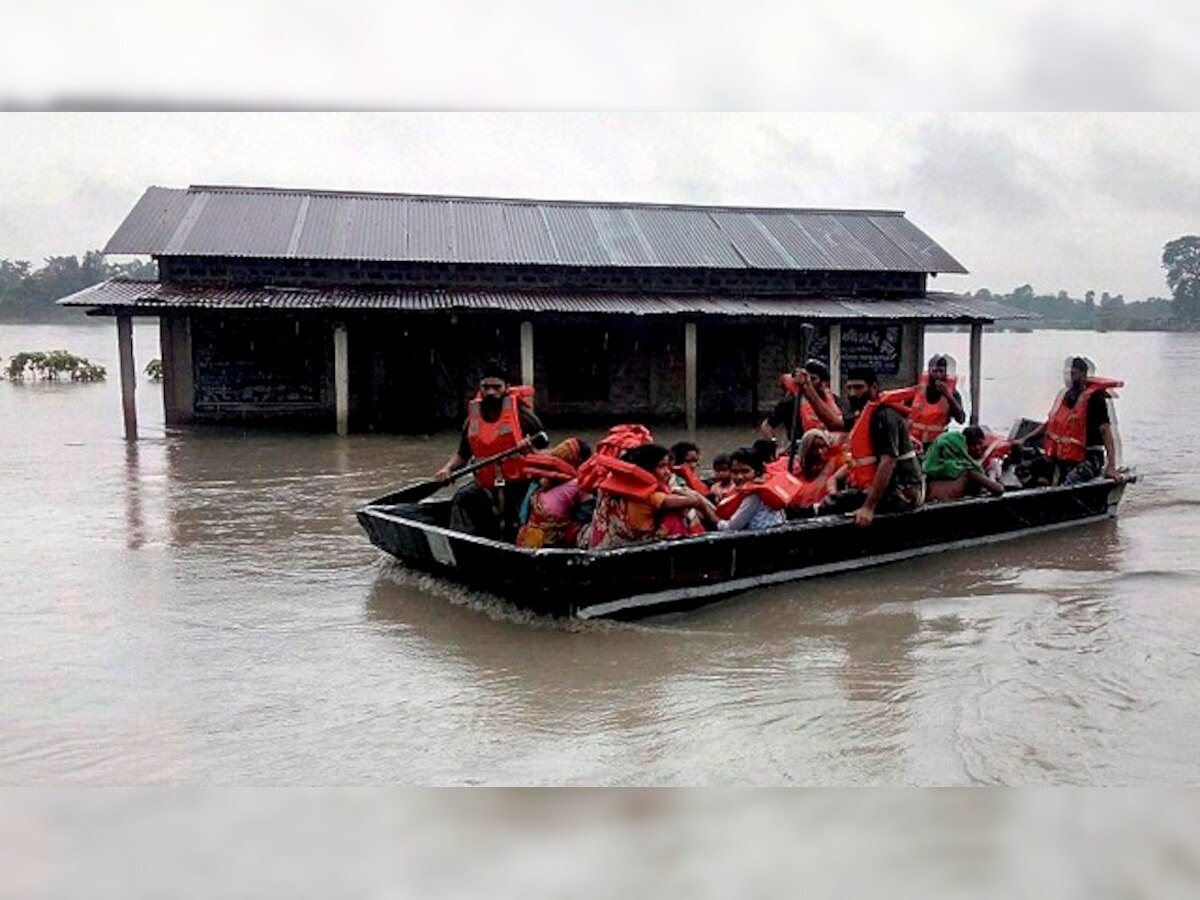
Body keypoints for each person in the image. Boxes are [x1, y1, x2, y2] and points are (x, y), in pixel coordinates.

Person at [433, 362, 544, 540]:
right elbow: (462, 455)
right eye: (486, 387)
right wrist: (447, 469)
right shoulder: (471, 421)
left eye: (496, 387)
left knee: (519, 519)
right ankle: (462, 547)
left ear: (506, 388)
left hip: (519, 485)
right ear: (480, 388)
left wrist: (529, 450)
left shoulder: (524, 417)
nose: (491, 392)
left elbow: (547, 455)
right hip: (485, 486)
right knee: (462, 498)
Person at [583, 443, 717, 550]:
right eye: (662, 466)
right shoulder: (651, 496)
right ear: (647, 469)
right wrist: (683, 492)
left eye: (668, 467)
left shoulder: (614, 484)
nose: (668, 473)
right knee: (678, 515)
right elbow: (693, 501)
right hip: (637, 547)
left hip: (605, 546)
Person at [1018, 356, 1124, 486]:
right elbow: (1050, 424)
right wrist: (1025, 438)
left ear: (1083, 374)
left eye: (1073, 374)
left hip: (1089, 456)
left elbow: (1106, 432)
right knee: (1022, 469)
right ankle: (1043, 487)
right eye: (1068, 374)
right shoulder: (1067, 396)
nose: (1070, 378)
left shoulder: (1095, 399)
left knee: (1071, 481)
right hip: (1064, 456)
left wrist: (1111, 466)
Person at [842, 366, 923, 528]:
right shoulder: (865, 414)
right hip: (885, 488)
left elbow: (888, 462)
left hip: (903, 491)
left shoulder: (885, 416)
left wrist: (868, 508)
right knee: (837, 498)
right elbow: (832, 422)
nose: (852, 393)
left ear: (874, 387)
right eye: (849, 388)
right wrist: (808, 388)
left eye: (858, 387)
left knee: (836, 504)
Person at [514, 438, 592, 549]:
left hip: (526, 537)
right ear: (579, 461)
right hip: (550, 542)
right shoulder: (578, 484)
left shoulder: (543, 477)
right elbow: (586, 514)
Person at [758, 359, 846, 444]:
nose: (808, 382)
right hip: (800, 452)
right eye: (806, 378)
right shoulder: (791, 402)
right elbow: (767, 426)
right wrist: (774, 445)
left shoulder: (835, 401)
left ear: (824, 383)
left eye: (813, 379)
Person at [715, 447, 795, 531]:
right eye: (735, 472)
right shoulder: (762, 484)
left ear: (757, 472)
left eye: (745, 471)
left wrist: (707, 511)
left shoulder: (754, 495)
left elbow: (730, 528)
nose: (739, 477)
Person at [922, 425, 1005, 502]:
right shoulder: (966, 470)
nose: (978, 448)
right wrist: (992, 473)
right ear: (961, 448)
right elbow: (998, 489)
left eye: (980, 444)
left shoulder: (931, 471)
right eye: (973, 445)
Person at [907, 355, 966, 448]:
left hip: (937, 444)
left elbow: (961, 419)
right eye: (935, 371)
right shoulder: (918, 390)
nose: (938, 375)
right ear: (929, 372)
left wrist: (948, 396)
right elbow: (904, 411)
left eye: (941, 371)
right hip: (914, 442)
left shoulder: (952, 393)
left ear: (945, 373)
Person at [790, 428, 849, 513]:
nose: (820, 451)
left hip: (827, 511)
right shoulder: (794, 471)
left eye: (822, 446)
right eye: (814, 448)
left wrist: (833, 493)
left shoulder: (835, 463)